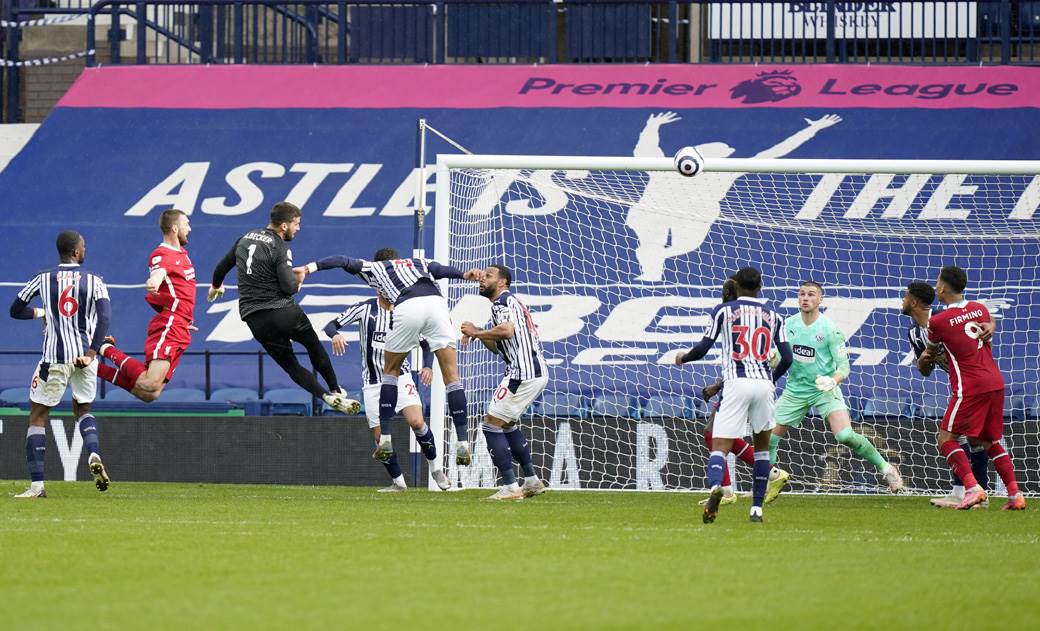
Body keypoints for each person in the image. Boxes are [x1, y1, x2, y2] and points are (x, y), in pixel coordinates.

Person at [295, 248, 481, 465]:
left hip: (408, 306)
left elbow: (342, 260)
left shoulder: (377, 267)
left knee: (390, 372)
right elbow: (439, 270)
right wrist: (463, 274)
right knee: (452, 378)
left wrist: (308, 268)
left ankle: (385, 439)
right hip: (437, 305)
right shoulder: (418, 262)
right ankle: (462, 442)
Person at [209, 202, 359, 415]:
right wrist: (299, 281)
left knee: (291, 365)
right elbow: (289, 287)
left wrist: (216, 286)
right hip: (283, 312)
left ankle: (325, 396)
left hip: (255, 318)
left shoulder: (244, 239)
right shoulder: (279, 247)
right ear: (284, 226)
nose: (298, 228)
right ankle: (335, 389)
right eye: (296, 224)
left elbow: (220, 268)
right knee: (312, 345)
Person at [675, 267, 792, 523]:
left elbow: (703, 348)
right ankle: (756, 509)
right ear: (760, 287)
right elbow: (787, 358)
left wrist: (684, 357)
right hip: (764, 385)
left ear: (736, 285)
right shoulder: (775, 316)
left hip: (736, 383)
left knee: (719, 446)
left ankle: (718, 488)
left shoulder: (723, 311)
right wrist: (770, 379)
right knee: (762, 450)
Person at [768, 281, 904, 499]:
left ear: (820, 299)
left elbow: (844, 367)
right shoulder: (788, 324)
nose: (805, 298)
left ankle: (887, 469)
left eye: (811, 294)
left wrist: (833, 381)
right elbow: (779, 355)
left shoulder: (830, 329)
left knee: (844, 435)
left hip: (824, 389)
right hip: (796, 390)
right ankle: (766, 484)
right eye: (802, 294)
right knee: (769, 438)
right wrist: (773, 358)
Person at [8, 231, 111, 497]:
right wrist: (91, 353)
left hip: (54, 358)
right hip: (84, 357)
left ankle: (37, 487)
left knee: (38, 415)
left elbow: (15, 310)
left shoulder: (42, 278)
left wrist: (42, 312)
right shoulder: (95, 280)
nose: (85, 250)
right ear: (76, 252)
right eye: (83, 247)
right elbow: (104, 318)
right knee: (83, 409)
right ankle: (93, 453)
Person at [922, 266, 1025, 510]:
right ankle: (1015, 494)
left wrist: (924, 358)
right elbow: (987, 322)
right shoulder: (979, 308)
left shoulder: (937, 321)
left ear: (943, 287)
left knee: (946, 438)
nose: (935, 286)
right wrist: (993, 324)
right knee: (987, 440)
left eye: (937, 282)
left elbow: (930, 353)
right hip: (995, 381)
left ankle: (972, 488)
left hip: (970, 385)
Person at [324, 293, 451, 492]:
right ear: (378, 288)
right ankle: (398, 483)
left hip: (402, 377)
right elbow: (330, 325)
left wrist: (427, 366)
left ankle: (436, 469)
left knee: (417, 422)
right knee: (380, 438)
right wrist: (335, 335)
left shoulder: (406, 312)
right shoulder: (365, 309)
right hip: (374, 383)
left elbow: (426, 344)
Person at [460, 264, 548, 501]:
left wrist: (476, 332)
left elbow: (507, 331)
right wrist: (480, 332)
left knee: (491, 425)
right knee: (507, 425)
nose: (482, 279)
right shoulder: (509, 303)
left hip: (522, 374)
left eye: (488, 276)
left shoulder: (502, 302)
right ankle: (531, 481)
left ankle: (510, 486)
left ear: (502, 282)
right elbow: (498, 347)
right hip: (533, 372)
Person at [902, 281, 993, 508]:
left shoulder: (945, 317)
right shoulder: (914, 333)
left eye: (905, 297)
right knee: (969, 438)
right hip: (961, 385)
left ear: (914, 301)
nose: (902, 301)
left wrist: (992, 324)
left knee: (951, 438)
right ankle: (970, 493)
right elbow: (925, 371)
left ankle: (972, 492)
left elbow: (982, 319)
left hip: (975, 381)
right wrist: (924, 361)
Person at [95, 209, 197, 401]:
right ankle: (105, 348)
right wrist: (153, 282)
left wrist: (185, 317)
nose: (190, 228)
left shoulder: (183, 254)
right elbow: (158, 273)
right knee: (148, 383)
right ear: (175, 228)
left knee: (150, 394)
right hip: (171, 324)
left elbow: (180, 290)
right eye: (186, 224)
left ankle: (92, 366)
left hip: (180, 325)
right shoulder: (162, 254)